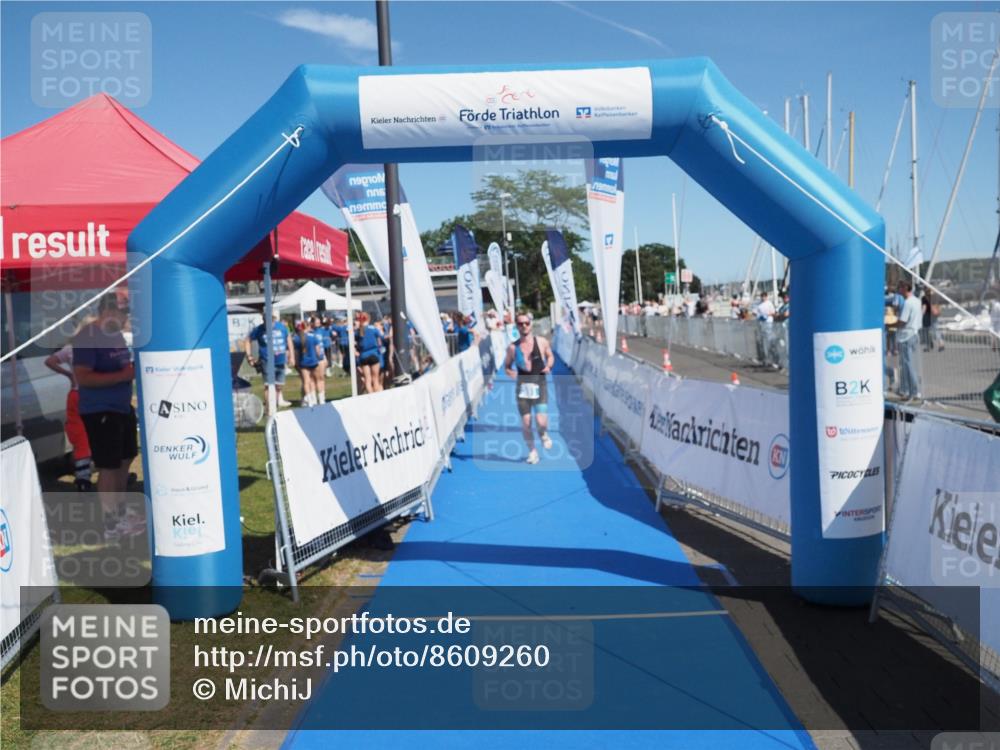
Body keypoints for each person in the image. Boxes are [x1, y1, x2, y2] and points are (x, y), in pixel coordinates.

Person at [72, 295, 140, 542]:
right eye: (124, 311)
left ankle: (120, 514)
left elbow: (122, 366)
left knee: (125, 459)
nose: (127, 317)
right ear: (109, 310)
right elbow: (84, 378)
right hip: (100, 410)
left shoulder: (116, 335)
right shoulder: (88, 336)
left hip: (121, 407)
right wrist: (125, 375)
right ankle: (110, 523)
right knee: (109, 466)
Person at [504, 313, 555, 465]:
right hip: (522, 387)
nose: (524, 326)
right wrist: (510, 372)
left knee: (541, 421)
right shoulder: (513, 348)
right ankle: (532, 452)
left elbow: (550, 356)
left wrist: (548, 366)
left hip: (540, 384)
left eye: (526, 323)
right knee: (526, 422)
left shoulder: (541, 342)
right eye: (520, 324)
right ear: (517, 326)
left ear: (531, 324)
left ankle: (543, 433)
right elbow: (506, 366)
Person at [45, 336, 94, 491]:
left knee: (80, 438)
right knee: (98, 435)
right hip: (93, 395)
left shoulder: (70, 349)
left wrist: (68, 374)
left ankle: (82, 478)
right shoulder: (98, 349)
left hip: (75, 394)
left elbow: (49, 361)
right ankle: (105, 474)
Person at [245, 312, 294, 408]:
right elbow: (248, 340)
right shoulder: (259, 329)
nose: (268, 323)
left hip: (280, 360)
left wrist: (292, 356)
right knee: (269, 386)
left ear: (274, 319)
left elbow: (289, 340)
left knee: (279, 385)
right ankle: (270, 408)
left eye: (270, 321)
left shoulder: (281, 327)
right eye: (266, 321)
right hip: (266, 360)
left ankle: (277, 401)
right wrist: (249, 356)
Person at [894, 280, 922, 402]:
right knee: (909, 364)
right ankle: (908, 391)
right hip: (914, 334)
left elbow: (903, 321)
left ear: (905, 288)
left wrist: (890, 325)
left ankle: (913, 392)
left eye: (899, 288)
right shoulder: (917, 301)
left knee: (907, 365)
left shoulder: (907, 303)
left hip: (906, 336)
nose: (898, 290)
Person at [296, 317, 325, 406]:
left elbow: (296, 353)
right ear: (308, 327)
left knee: (307, 381)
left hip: (303, 362)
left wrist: (297, 363)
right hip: (314, 361)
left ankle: (310, 400)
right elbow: (318, 351)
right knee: (319, 380)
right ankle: (321, 400)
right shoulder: (313, 337)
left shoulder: (297, 338)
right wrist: (320, 357)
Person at [355, 312, 385, 393]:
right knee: (375, 379)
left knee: (367, 380)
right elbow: (382, 337)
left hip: (363, 356)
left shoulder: (358, 331)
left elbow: (356, 342)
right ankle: (376, 396)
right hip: (373, 354)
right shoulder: (373, 329)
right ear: (368, 319)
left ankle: (370, 395)